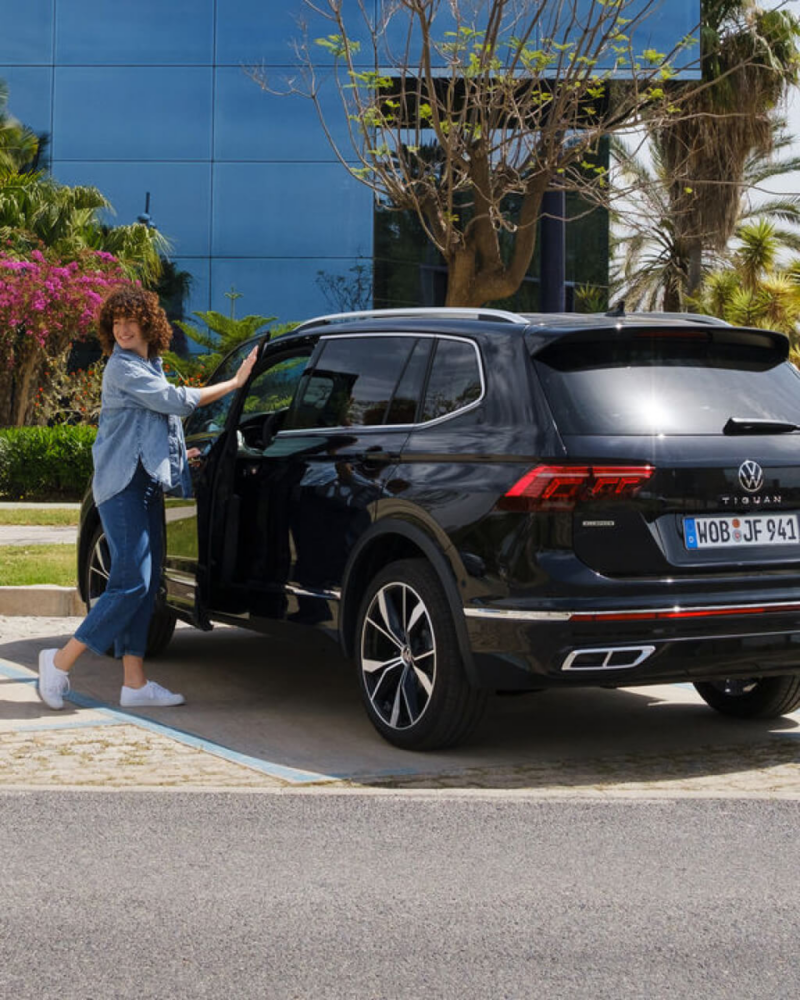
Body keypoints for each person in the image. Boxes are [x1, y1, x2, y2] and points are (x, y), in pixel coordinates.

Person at [37, 286, 257, 710]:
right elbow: (175, 403)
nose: (121, 329)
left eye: (129, 322)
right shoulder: (122, 368)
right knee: (131, 581)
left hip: (146, 484)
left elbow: (159, 425)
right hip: (121, 487)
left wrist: (181, 454)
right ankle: (60, 662)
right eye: (115, 323)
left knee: (147, 582)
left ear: (147, 325)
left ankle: (135, 684)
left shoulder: (149, 364)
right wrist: (235, 382)